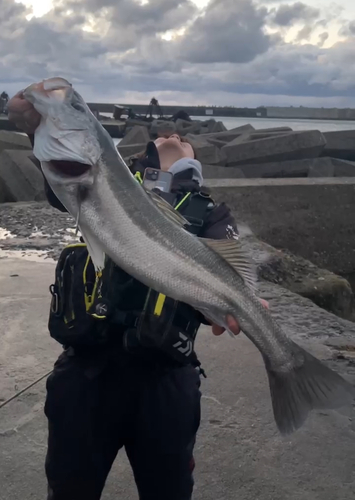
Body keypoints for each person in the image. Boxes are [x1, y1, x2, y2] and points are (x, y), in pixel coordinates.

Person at [8, 89, 268, 500]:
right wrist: (34, 130)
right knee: (69, 487)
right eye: (163, 135)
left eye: (183, 139)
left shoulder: (211, 213)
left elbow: (218, 278)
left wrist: (238, 306)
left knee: (167, 490)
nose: (172, 134)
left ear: (193, 158)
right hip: (86, 371)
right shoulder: (114, 182)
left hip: (165, 378)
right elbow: (66, 182)